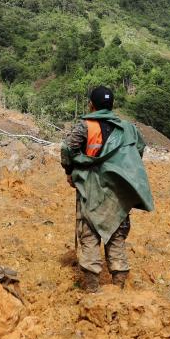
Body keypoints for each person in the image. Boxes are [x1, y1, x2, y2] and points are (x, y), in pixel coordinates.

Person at [61, 86, 154, 292]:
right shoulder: (128, 128)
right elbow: (139, 148)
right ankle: (118, 289)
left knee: (90, 234)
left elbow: (68, 148)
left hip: (91, 188)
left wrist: (71, 171)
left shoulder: (86, 126)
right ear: (112, 105)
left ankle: (93, 291)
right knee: (117, 236)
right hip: (118, 191)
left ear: (91, 105)